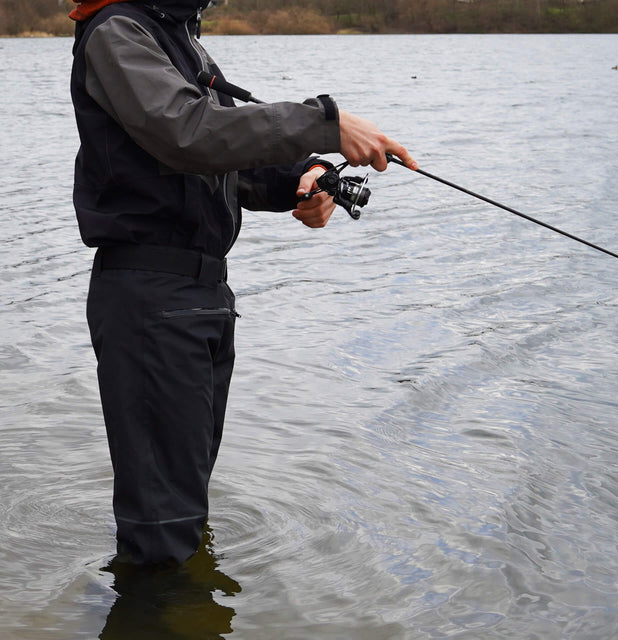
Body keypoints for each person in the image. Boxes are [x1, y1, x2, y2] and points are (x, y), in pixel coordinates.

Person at [70, 0, 417, 565]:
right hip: (151, 298)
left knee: (186, 511)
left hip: (200, 298)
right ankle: (152, 614)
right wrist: (324, 122)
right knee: (163, 531)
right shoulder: (118, 31)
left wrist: (301, 178)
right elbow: (188, 133)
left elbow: (225, 156)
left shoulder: (175, 34)